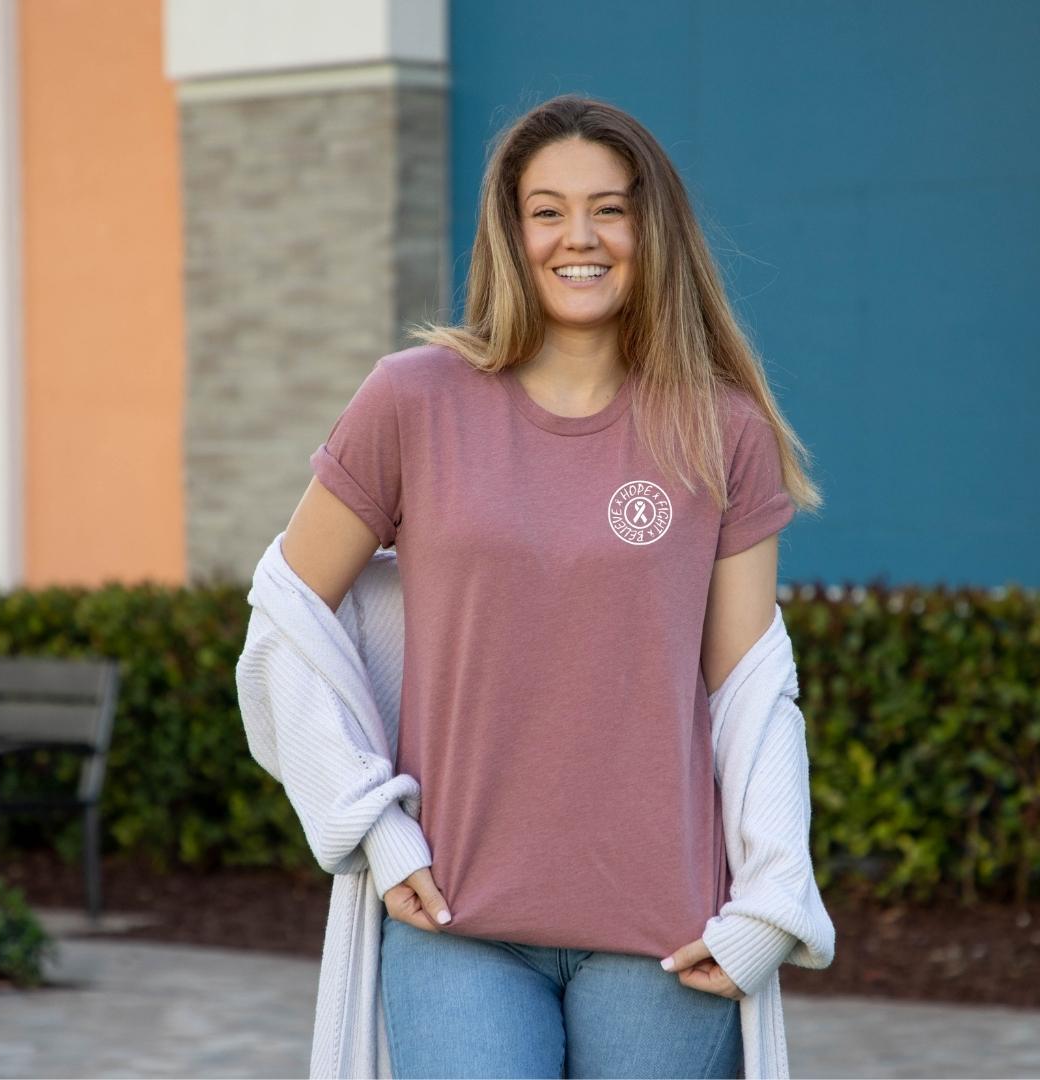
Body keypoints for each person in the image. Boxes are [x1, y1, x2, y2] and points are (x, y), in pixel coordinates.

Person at [279, 94, 823, 1079]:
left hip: (666, 931)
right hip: (458, 917)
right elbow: (286, 613)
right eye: (549, 210)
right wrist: (371, 825)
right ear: (512, 228)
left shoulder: (720, 427)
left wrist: (775, 903)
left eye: (611, 209)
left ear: (652, 230)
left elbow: (750, 688)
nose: (582, 237)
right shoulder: (410, 401)